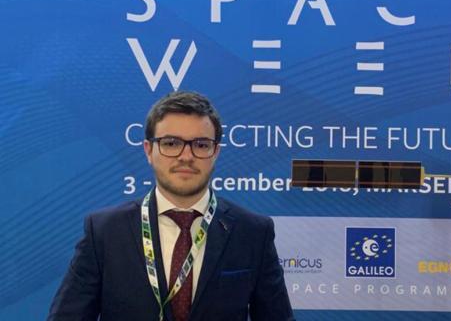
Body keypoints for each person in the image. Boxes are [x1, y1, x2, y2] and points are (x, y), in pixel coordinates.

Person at [48, 91, 294, 321]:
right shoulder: (104, 232)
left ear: (216, 152)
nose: (186, 156)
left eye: (200, 144)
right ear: (148, 150)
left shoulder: (252, 232)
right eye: (171, 143)